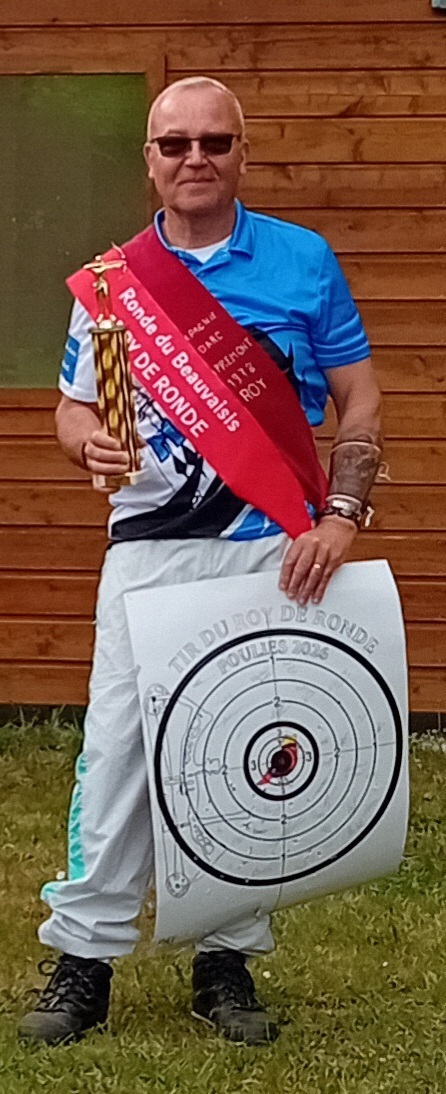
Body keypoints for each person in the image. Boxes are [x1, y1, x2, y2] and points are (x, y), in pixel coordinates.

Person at [19, 76, 382, 1047]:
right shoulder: (112, 283)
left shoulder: (303, 262)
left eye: (214, 142)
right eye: (174, 143)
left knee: (249, 751)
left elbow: (359, 397)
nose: (195, 159)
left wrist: (342, 516)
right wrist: (85, 441)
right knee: (116, 754)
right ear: (149, 160)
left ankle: (226, 956)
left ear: (241, 153)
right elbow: (78, 407)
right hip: (147, 550)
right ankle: (85, 957)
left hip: (272, 551)